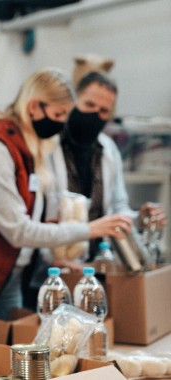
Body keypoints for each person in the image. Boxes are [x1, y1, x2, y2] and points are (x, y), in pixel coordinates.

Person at [0, 68, 133, 322]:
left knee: (9, 350)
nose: (60, 125)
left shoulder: (27, 147)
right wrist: (89, 229)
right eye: (58, 115)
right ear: (34, 107)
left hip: (9, 272)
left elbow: (38, 217)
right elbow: (18, 230)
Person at [49, 71, 166, 261]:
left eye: (103, 111)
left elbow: (119, 208)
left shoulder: (108, 149)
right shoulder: (50, 145)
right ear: (74, 101)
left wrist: (139, 218)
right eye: (89, 105)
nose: (95, 115)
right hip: (53, 261)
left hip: (96, 260)